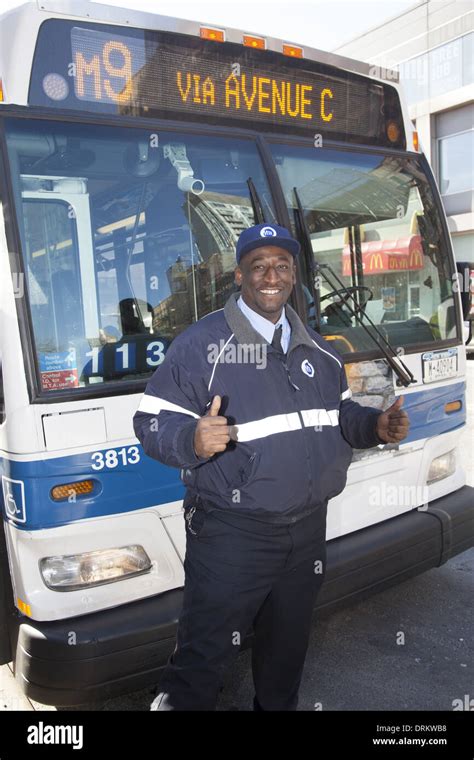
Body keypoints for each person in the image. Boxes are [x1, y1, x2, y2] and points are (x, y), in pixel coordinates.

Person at [133, 223, 410, 711]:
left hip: (306, 533)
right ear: (239, 276)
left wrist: (374, 427)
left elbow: (338, 414)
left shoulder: (319, 350)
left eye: (282, 265)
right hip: (231, 531)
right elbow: (149, 420)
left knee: (285, 658)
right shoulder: (202, 345)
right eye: (258, 265)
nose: (271, 275)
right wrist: (190, 439)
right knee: (201, 661)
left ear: (293, 276)